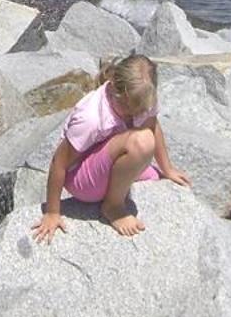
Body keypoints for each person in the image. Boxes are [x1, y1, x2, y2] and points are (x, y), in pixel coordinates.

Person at [33, 54, 189, 241]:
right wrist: (52, 212)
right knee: (143, 142)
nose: (132, 114)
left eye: (137, 110)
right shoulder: (91, 118)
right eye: (126, 107)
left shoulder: (142, 98)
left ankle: (119, 184)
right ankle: (113, 206)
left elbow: (152, 124)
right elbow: (59, 162)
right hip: (81, 179)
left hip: (105, 160)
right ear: (114, 85)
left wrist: (168, 169)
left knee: (156, 177)